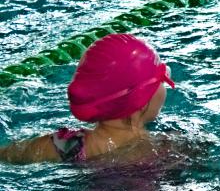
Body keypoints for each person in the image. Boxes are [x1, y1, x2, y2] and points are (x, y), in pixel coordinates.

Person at [0, 34, 175, 165]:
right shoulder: (167, 147)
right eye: (161, 80)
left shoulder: (64, 146)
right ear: (141, 101)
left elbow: (9, 154)